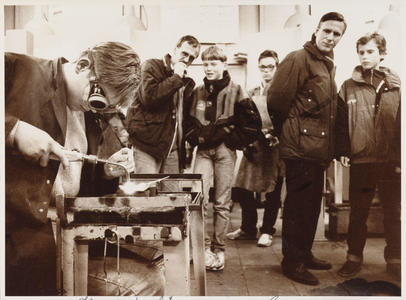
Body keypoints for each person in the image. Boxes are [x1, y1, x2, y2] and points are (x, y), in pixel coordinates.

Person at [5, 41, 141, 296]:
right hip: (18, 238)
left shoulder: (86, 113)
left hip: (64, 233)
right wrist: (14, 130)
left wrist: (105, 174)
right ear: (82, 66)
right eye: (97, 100)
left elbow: (76, 186)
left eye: (104, 106)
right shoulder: (16, 69)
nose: (94, 108)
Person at [267, 12, 347, 286]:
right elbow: (277, 101)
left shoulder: (325, 64)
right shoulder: (298, 58)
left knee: (312, 207)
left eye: (337, 34)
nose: (331, 37)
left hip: (317, 150)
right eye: (327, 31)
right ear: (317, 30)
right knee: (297, 208)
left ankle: (304, 252)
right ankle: (292, 262)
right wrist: (289, 134)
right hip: (300, 149)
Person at [185, 45, 262, 271]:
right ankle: (203, 248)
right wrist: (195, 139)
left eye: (214, 63)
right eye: (206, 63)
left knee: (221, 203)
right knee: (199, 201)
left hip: (224, 153)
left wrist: (231, 140)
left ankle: (219, 251)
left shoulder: (237, 90)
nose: (209, 68)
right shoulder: (197, 92)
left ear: (224, 65)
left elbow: (252, 125)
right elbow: (188, 124)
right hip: (202, 153)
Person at [335, 32, 401, 281]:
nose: (364, 56)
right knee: (358, 212)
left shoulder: (396, 86)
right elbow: (341, 123)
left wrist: (399, 159)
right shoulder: (347, 86)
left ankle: (395, 259)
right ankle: (353, 258)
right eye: (361, 52)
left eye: (370, 51)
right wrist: (342, 150)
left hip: (390, 162)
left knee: (392, 212)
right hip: (361, 160)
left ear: (382, 54)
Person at [126, 35, 200, 192]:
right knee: (145, 197)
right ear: (175, 49)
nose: (187, 59)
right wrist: (176, 77)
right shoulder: (151, 66)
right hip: (147, 146)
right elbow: (149, 98)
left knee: (172, 199)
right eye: (184, 54)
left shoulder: (184, 81)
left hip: (171, 150)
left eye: (192, 58)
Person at [227, 50, 285, 247]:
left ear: (277, 68)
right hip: (254, 145)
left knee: (272, 191)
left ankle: (267, 230)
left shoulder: (283, 94)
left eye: (271, 67)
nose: (267, 71)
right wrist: (245, 142)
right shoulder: (251, 93)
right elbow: (242, 121)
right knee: (243, 188)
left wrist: (277, 135)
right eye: (263, 67)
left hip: (275, 147)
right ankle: (248, 228)